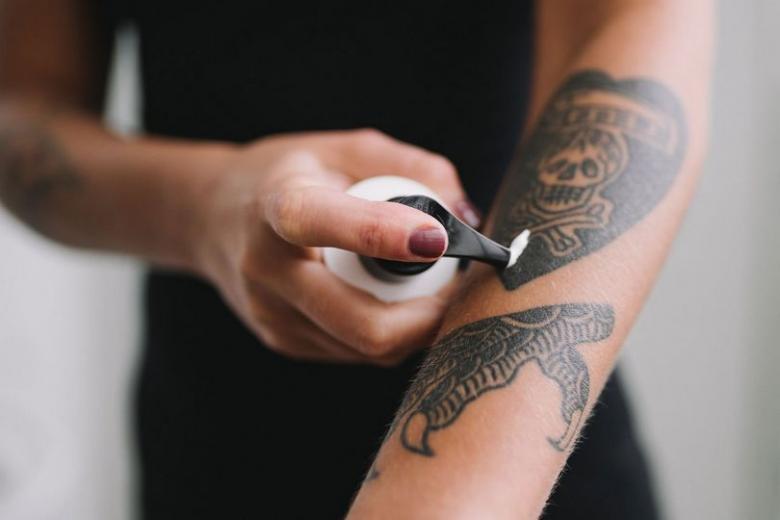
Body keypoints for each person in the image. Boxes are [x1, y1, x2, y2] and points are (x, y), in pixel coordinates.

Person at [0, 1, 712, 518]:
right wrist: (206, 206)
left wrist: (439, 503)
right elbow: (22, 108)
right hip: (214, 445)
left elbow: (631, 36)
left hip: (521, 463)